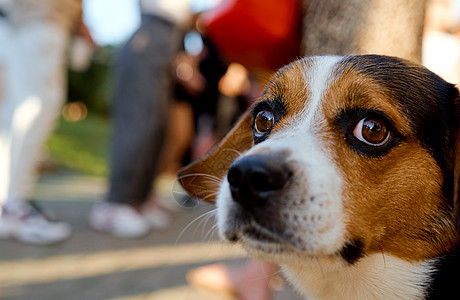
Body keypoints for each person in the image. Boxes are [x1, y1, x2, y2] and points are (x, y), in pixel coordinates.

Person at [88, 0, 192, 238]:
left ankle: (139, 199)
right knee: (139, 121)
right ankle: (115, 205)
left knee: (157, 124)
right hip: (152, 32)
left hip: (171, 40)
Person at [0, 0, 82, 245]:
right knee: (36, 105)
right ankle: (14, 205)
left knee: (12, 111)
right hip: (40, 15)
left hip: (18, 18)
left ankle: (9, 203)